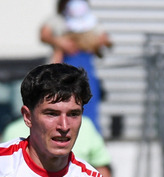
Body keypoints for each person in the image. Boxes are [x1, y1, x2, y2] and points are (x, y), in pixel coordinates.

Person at [40, 0, 112, 134]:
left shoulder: (92, 23)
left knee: (87, 112)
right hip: (65, 77)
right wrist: (60, 43)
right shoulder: (58, 21)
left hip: (87, 77)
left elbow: (106, 40)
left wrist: (94, 43)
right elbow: (45, 35)